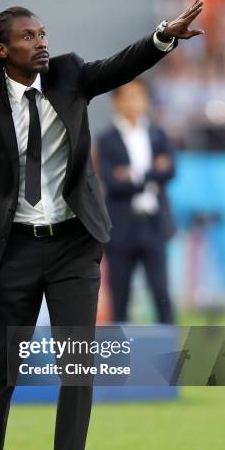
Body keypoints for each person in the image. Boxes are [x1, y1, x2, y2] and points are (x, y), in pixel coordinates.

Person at [0, 0, 204, 450]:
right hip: (12, 250)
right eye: (27, 37)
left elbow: (121, 64)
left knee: (77, 365)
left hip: (73, 245)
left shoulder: (68, 75)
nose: (41, 41)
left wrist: (162, 35)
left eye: (42, 33)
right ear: (2, 51)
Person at [96, 80, 175, 323]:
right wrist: (151, 174)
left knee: (161, 292)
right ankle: (119, 356)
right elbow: (113, 182)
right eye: (128, 96)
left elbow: (170, 170)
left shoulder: (157, 133)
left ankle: (170, 353)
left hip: (153, 223)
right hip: (121, 226)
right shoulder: (106, 139)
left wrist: (134, 174)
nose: (134, 102)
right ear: (116, 101)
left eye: (139, 96)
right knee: (120, 296)